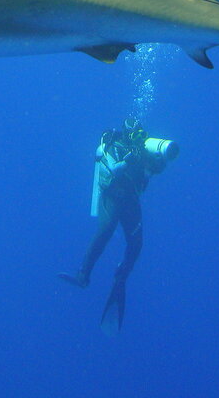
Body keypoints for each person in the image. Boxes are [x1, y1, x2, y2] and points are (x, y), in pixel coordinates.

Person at [58, 119, 178, 333]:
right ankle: (83, 275)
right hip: (111, 197)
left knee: (136, 243)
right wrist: (127, 160)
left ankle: (121, 277)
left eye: (141, 134)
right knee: (105, 231)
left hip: (131, 201)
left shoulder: (143, 152)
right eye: (135, 134)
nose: (139, 138)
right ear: (127, 134)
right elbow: (114, 169)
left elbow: (156, 169)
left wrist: (159, 160)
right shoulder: (114, 146)